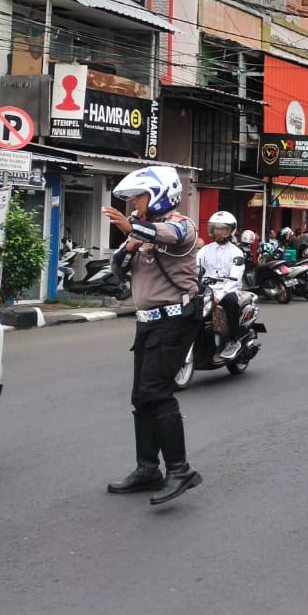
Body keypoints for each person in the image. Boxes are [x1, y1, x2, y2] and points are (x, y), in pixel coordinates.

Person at [103, 165, 204, 507]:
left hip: (175, 321)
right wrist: (129, 244)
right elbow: (116, 268)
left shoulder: (181, 224)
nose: (134, 205)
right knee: (140, 397)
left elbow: (171, 236)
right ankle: (147, 468)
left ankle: (180, 469)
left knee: (157, 393)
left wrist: (135, 228)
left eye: (140, 198)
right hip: (147, 323)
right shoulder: (141, 233)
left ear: (159, 196)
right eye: (132, 201)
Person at [197, 209, 248, 360]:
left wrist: (219, 297)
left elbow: (235, 279)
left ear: (230, 231)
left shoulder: (236, 252)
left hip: (228, 290)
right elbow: (194, 269)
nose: (219, 232)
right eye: (216, 228)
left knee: (230, 303)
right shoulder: (204, 251)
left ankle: (233, 340)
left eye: (223, 229)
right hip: (207, 290)